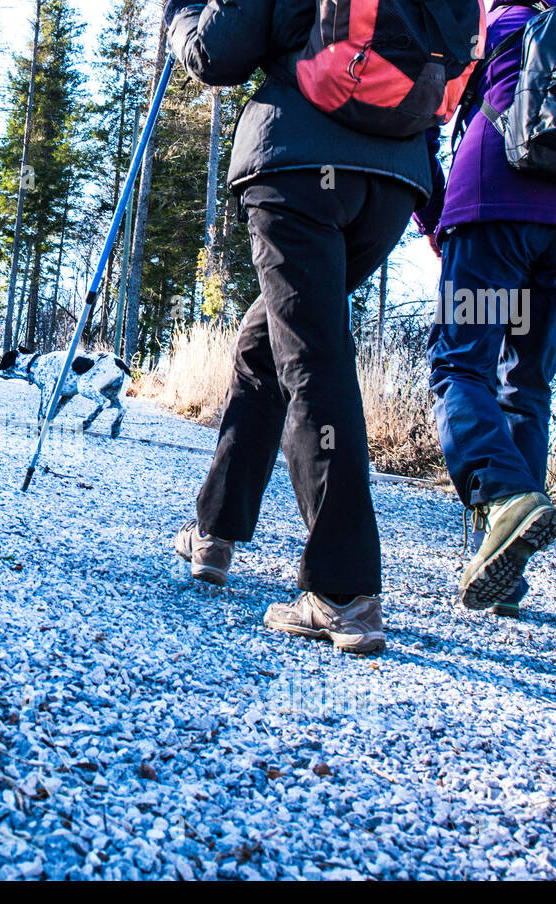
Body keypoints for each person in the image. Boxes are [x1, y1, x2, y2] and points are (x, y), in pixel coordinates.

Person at [165, 0, 480, 654]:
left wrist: (180, 13)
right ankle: (215, 531)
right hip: (391, 186)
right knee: (266, 348)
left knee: (313, 359)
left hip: (297, 167)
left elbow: (215, 55)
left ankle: (343, 592)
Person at [417, 0, 556, 617]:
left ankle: (506, 495)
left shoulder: (494, 20)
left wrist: (434, 214)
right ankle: (503, 564)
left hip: (496, 213)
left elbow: (428, 110)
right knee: (528, 384)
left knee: (461, 365)